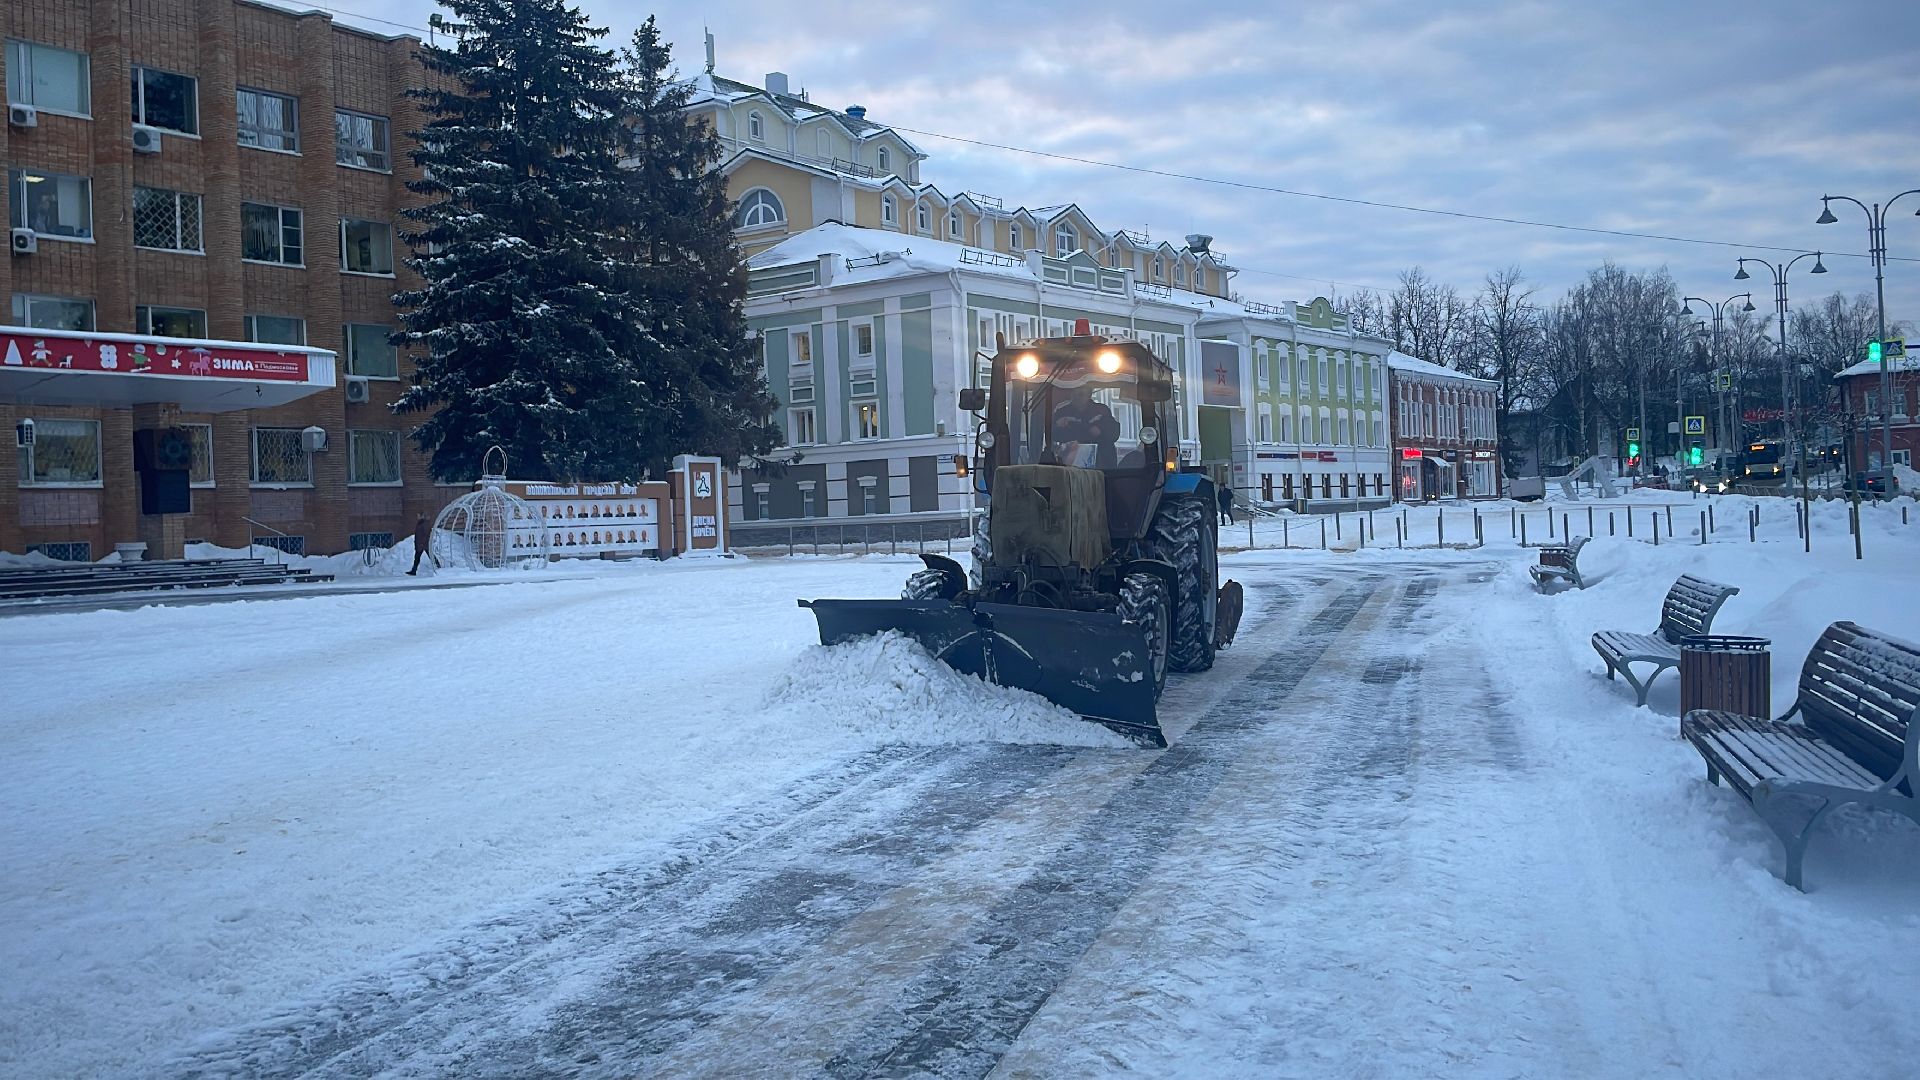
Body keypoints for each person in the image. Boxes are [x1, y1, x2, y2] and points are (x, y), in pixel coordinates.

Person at [1050, 390, 1119, 468]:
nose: (1077, 397)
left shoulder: (1102, 410)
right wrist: (1058, 425)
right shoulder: (1062, 412)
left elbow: (1114, 434)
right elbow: (1052, 435)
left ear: (1089, 394)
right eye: (1073, 393)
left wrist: (1100, 431)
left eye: (1081, 393)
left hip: (1101, 465)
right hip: (1069, 466)